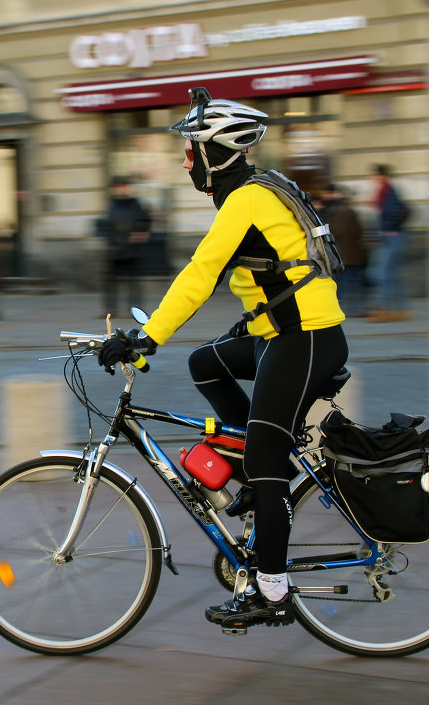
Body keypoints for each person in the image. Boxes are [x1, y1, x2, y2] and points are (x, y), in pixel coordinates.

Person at [97, 88, 348, 631]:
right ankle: (252, 470)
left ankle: (272, 592)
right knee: (205, 362)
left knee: (267, 457)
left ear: (216, 152)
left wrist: (146, 337)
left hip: (304, 339)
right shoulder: (251, 191)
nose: (187, 161)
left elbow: (200, 273)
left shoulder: (246, 199)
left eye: (192, 150)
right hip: (281, 333)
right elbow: (269, 271)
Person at [100, 176, 151, 318]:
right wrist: (110, 239)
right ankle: (110, 310)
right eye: (118, 186)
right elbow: (106, 224)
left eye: (124, 186)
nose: (121, 189)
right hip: (115, 249)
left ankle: (135, 311)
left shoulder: (134, 203)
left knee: (133, 283)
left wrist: (140, 233)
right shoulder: (112, 204)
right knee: (110, 283)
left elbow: (145, 220)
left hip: (131, 250)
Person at [316, 184, 368, 317]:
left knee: (343, 282)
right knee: (353, 282)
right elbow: (359, 231)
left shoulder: (333, 211)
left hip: (340, 253)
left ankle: (346, 308)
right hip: (351, 253)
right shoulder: (347, 211)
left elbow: (334, 232)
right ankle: (355, 308)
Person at [368, 164, 410, 322]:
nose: (372, 179)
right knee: (392, 274)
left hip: (391, 237)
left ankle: (383, 309)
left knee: (383, 274)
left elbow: (390, 213)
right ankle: (402, 308)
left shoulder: (387, 190)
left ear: (381, 176)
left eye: (374, 176)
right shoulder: (386, 190)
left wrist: (387, 230)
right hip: (392, 237)